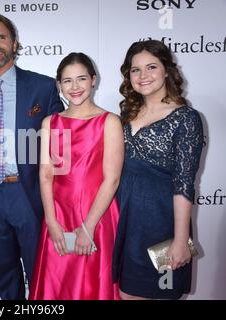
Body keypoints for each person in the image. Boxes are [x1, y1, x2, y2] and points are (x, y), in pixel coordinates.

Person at [0, 13, 64, 299]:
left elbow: (61, 145)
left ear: (14, 43)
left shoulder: (43, 87)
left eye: (1, 37)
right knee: (5, 271)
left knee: (40, 269)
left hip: (29, 190)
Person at [112, 40, 204, 300]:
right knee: (127, 295)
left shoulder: (186, 118)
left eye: (151, 67)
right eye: (135, 70)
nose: (143, 76)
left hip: (163, 227)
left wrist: (180, 239)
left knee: (161, 295)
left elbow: (184, 183)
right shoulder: (125, 117)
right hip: (128, 225)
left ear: (166, 71)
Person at [29, 53, 123, 300]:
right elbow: (46, 173)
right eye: (67, 81)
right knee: (58, 285)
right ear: (59, 85)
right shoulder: (51, 122)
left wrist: (88, 226)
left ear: (93, 80)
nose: (75, 87)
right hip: (58, 215)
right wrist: (50, 220)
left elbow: (111, 179)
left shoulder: (109, 122)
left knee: (93, 283)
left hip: (97, 216)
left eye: (81, 78)